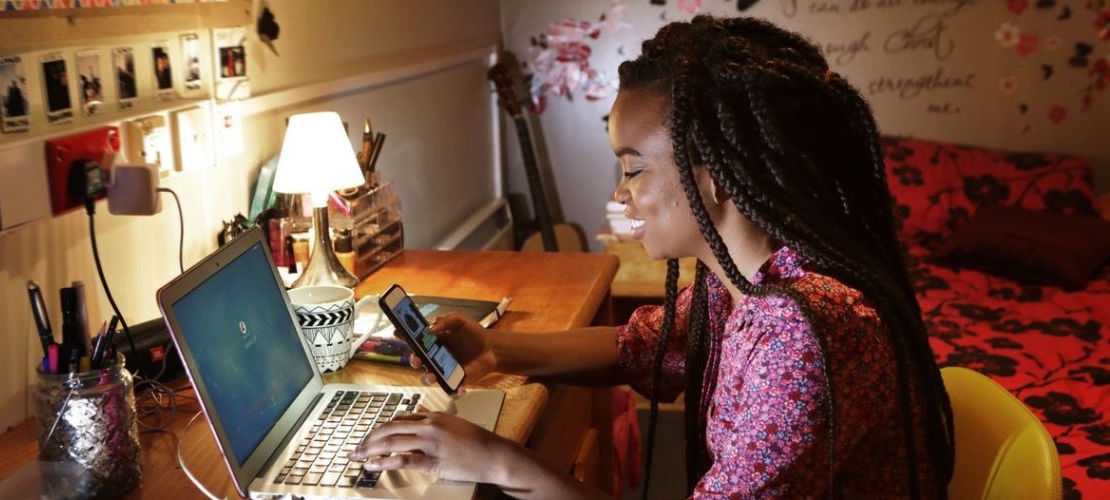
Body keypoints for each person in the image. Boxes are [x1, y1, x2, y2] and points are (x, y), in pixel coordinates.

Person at [352, 15, 954, 499]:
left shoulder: (801, 333)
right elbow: (646, 344)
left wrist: (498, 460)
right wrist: (492, 350)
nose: (621, 193)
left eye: (634, 169)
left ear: (716, 177)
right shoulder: (746, 280)